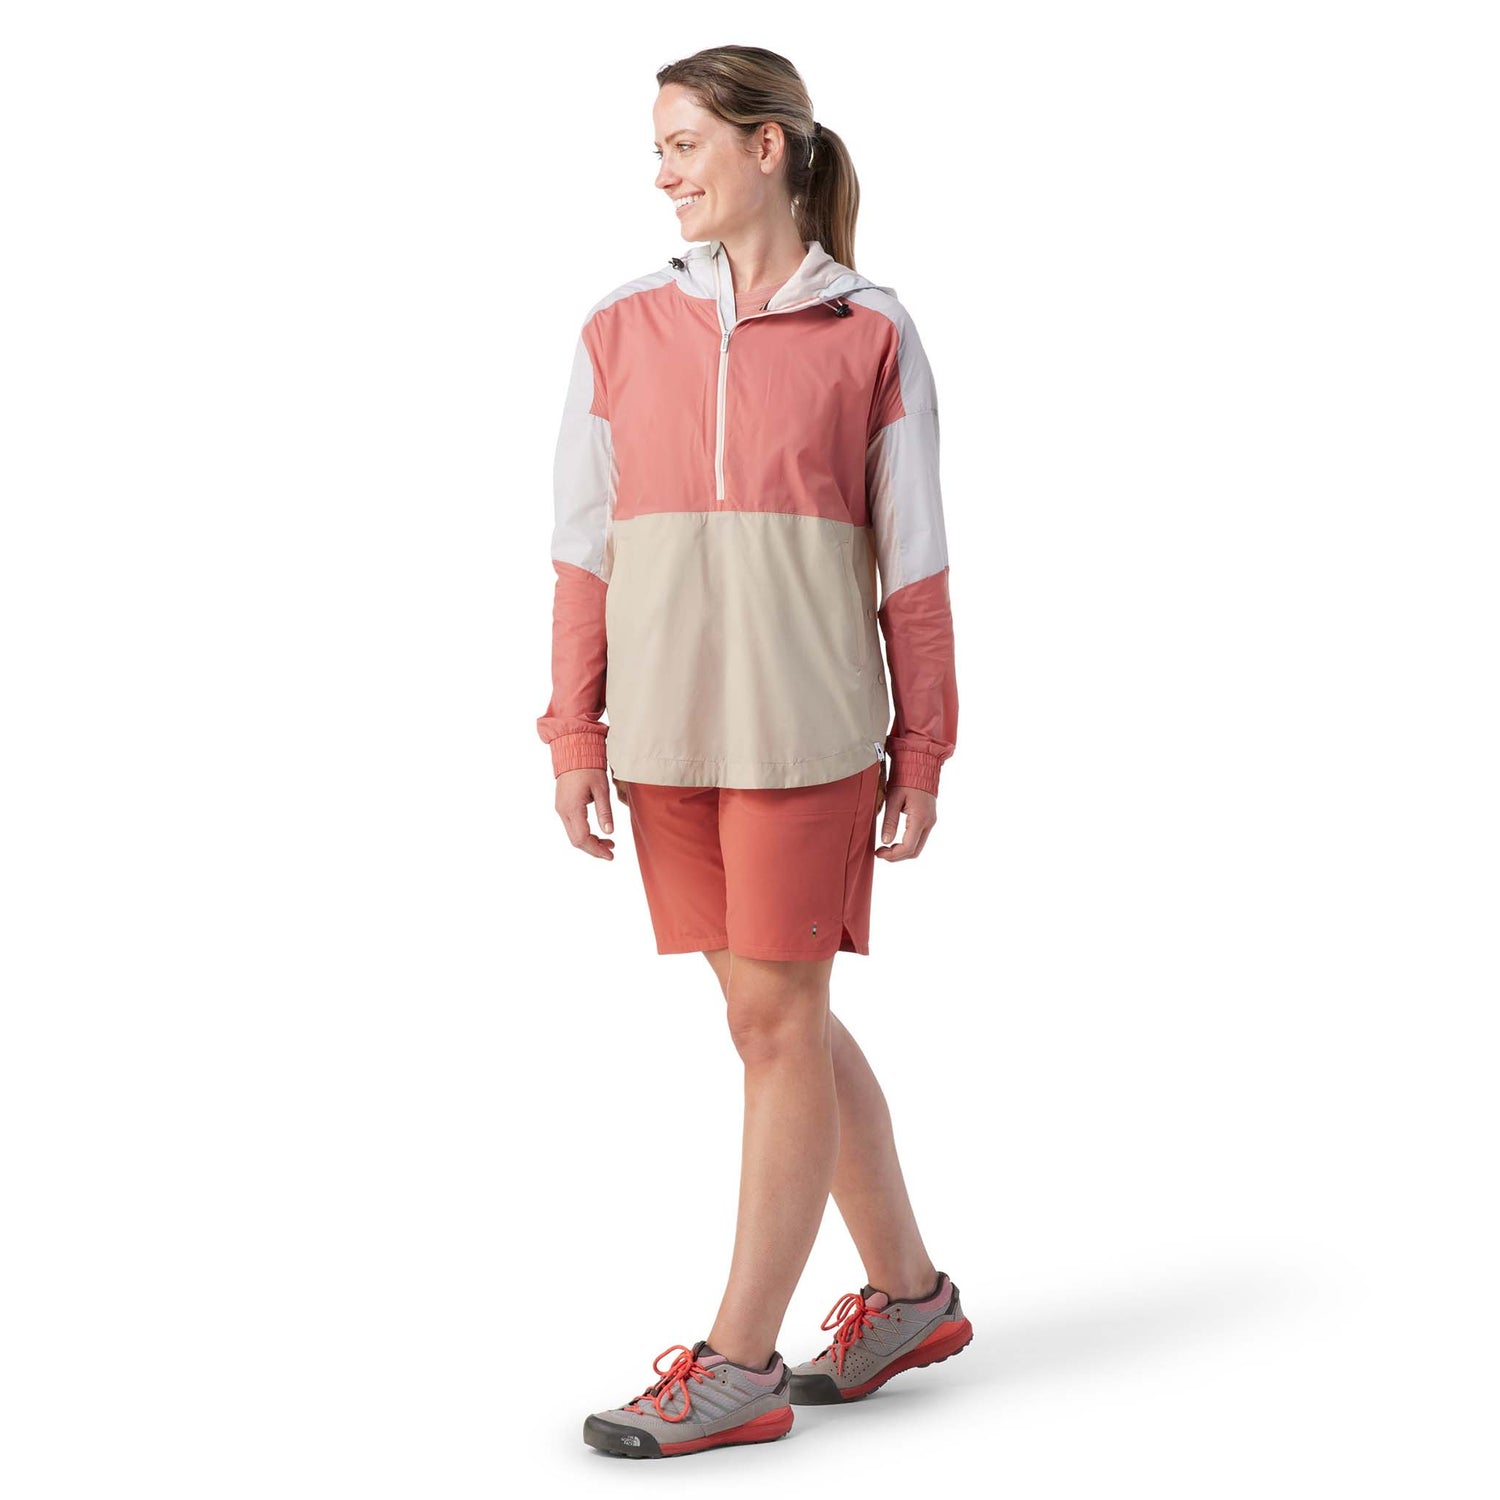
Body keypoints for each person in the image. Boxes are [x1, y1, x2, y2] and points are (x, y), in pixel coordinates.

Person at [536, 45, 967, 1459]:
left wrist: (924, 742)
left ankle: (737, 1365)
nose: (662, 172)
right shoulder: (620, 327)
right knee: (775, 1018)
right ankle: (910, 1298)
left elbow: (914, 559)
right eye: (658, 148)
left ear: (766, 146)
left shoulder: (872, 332)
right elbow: (582, 550)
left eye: (683, 144)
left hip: (805, 730)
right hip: (665, 733)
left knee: (775, 1024)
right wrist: (574, 725)